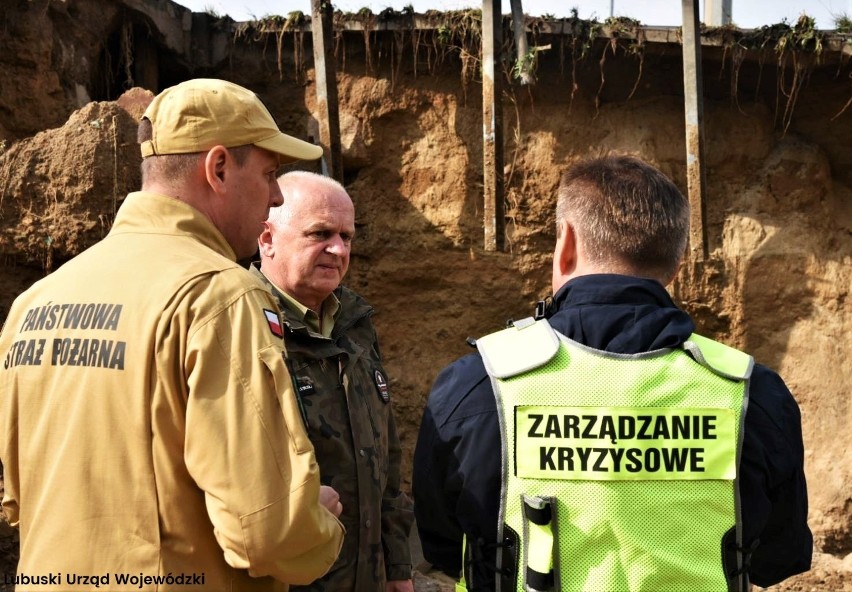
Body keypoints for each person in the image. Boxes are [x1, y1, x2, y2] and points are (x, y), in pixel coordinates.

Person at [0, 79, 345, 591]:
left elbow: (17, 496)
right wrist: (318, 523)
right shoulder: (219, 295)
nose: (275, 197)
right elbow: (265, 533)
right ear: (220, 168)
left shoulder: (36, 301)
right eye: (270, 174)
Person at [412, 155, 812, 591]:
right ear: (675, 265)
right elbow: (777, 556)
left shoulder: (478, 385)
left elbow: (445, 547)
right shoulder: (751, 392)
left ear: (566, 243)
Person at [251, 171, 414, 592]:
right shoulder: (243, 325)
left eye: (347, 236)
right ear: (266, 238)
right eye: (319, 233)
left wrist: (396, 567)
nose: (338, 249)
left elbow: (386, 452)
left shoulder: (354, 323)